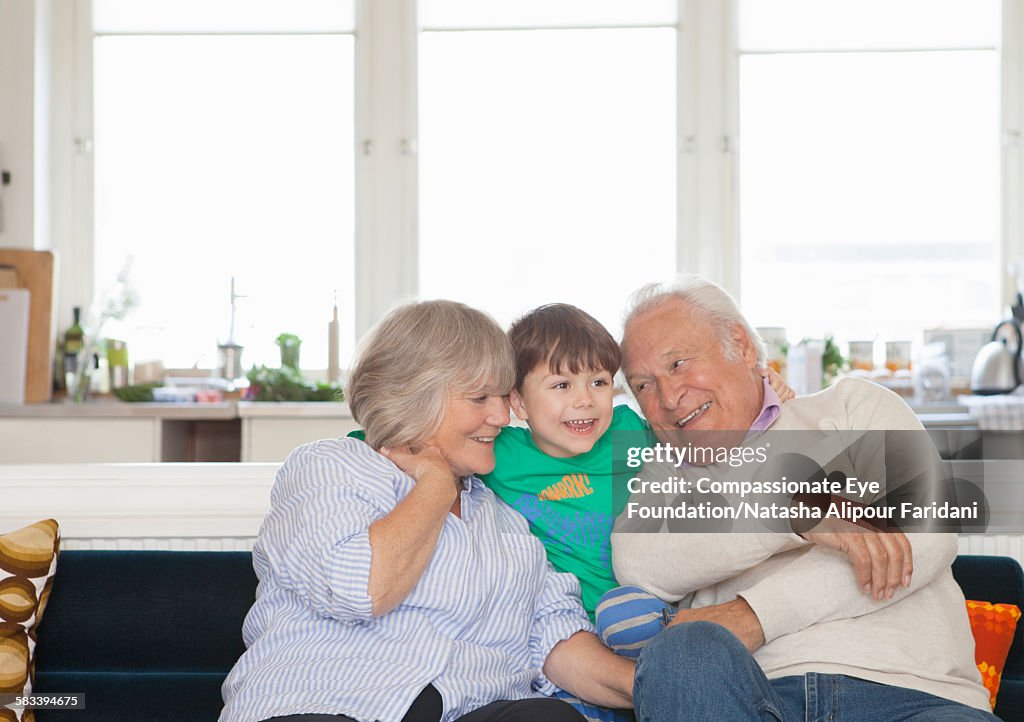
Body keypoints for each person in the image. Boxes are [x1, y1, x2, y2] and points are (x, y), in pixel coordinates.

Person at [219, 300, 634, 722]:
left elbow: (557, 636)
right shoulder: (333, 467)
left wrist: (655, 683)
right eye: (480, 397)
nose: (501, 416)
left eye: (503, 396)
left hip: (471, 709)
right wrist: (434, 485)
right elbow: (363, 589)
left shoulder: (504, 517)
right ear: (414, 397)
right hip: (330, 703)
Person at [610, 276, 996, 721]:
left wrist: (754, 615)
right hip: (751, 698)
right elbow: (638, 566)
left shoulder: (853, 407)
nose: (669, 398)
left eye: (677, 364)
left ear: (740, 344)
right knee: (680, 652)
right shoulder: (663, 471)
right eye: (643, 386)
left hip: (914, 694)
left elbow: (927, 531)